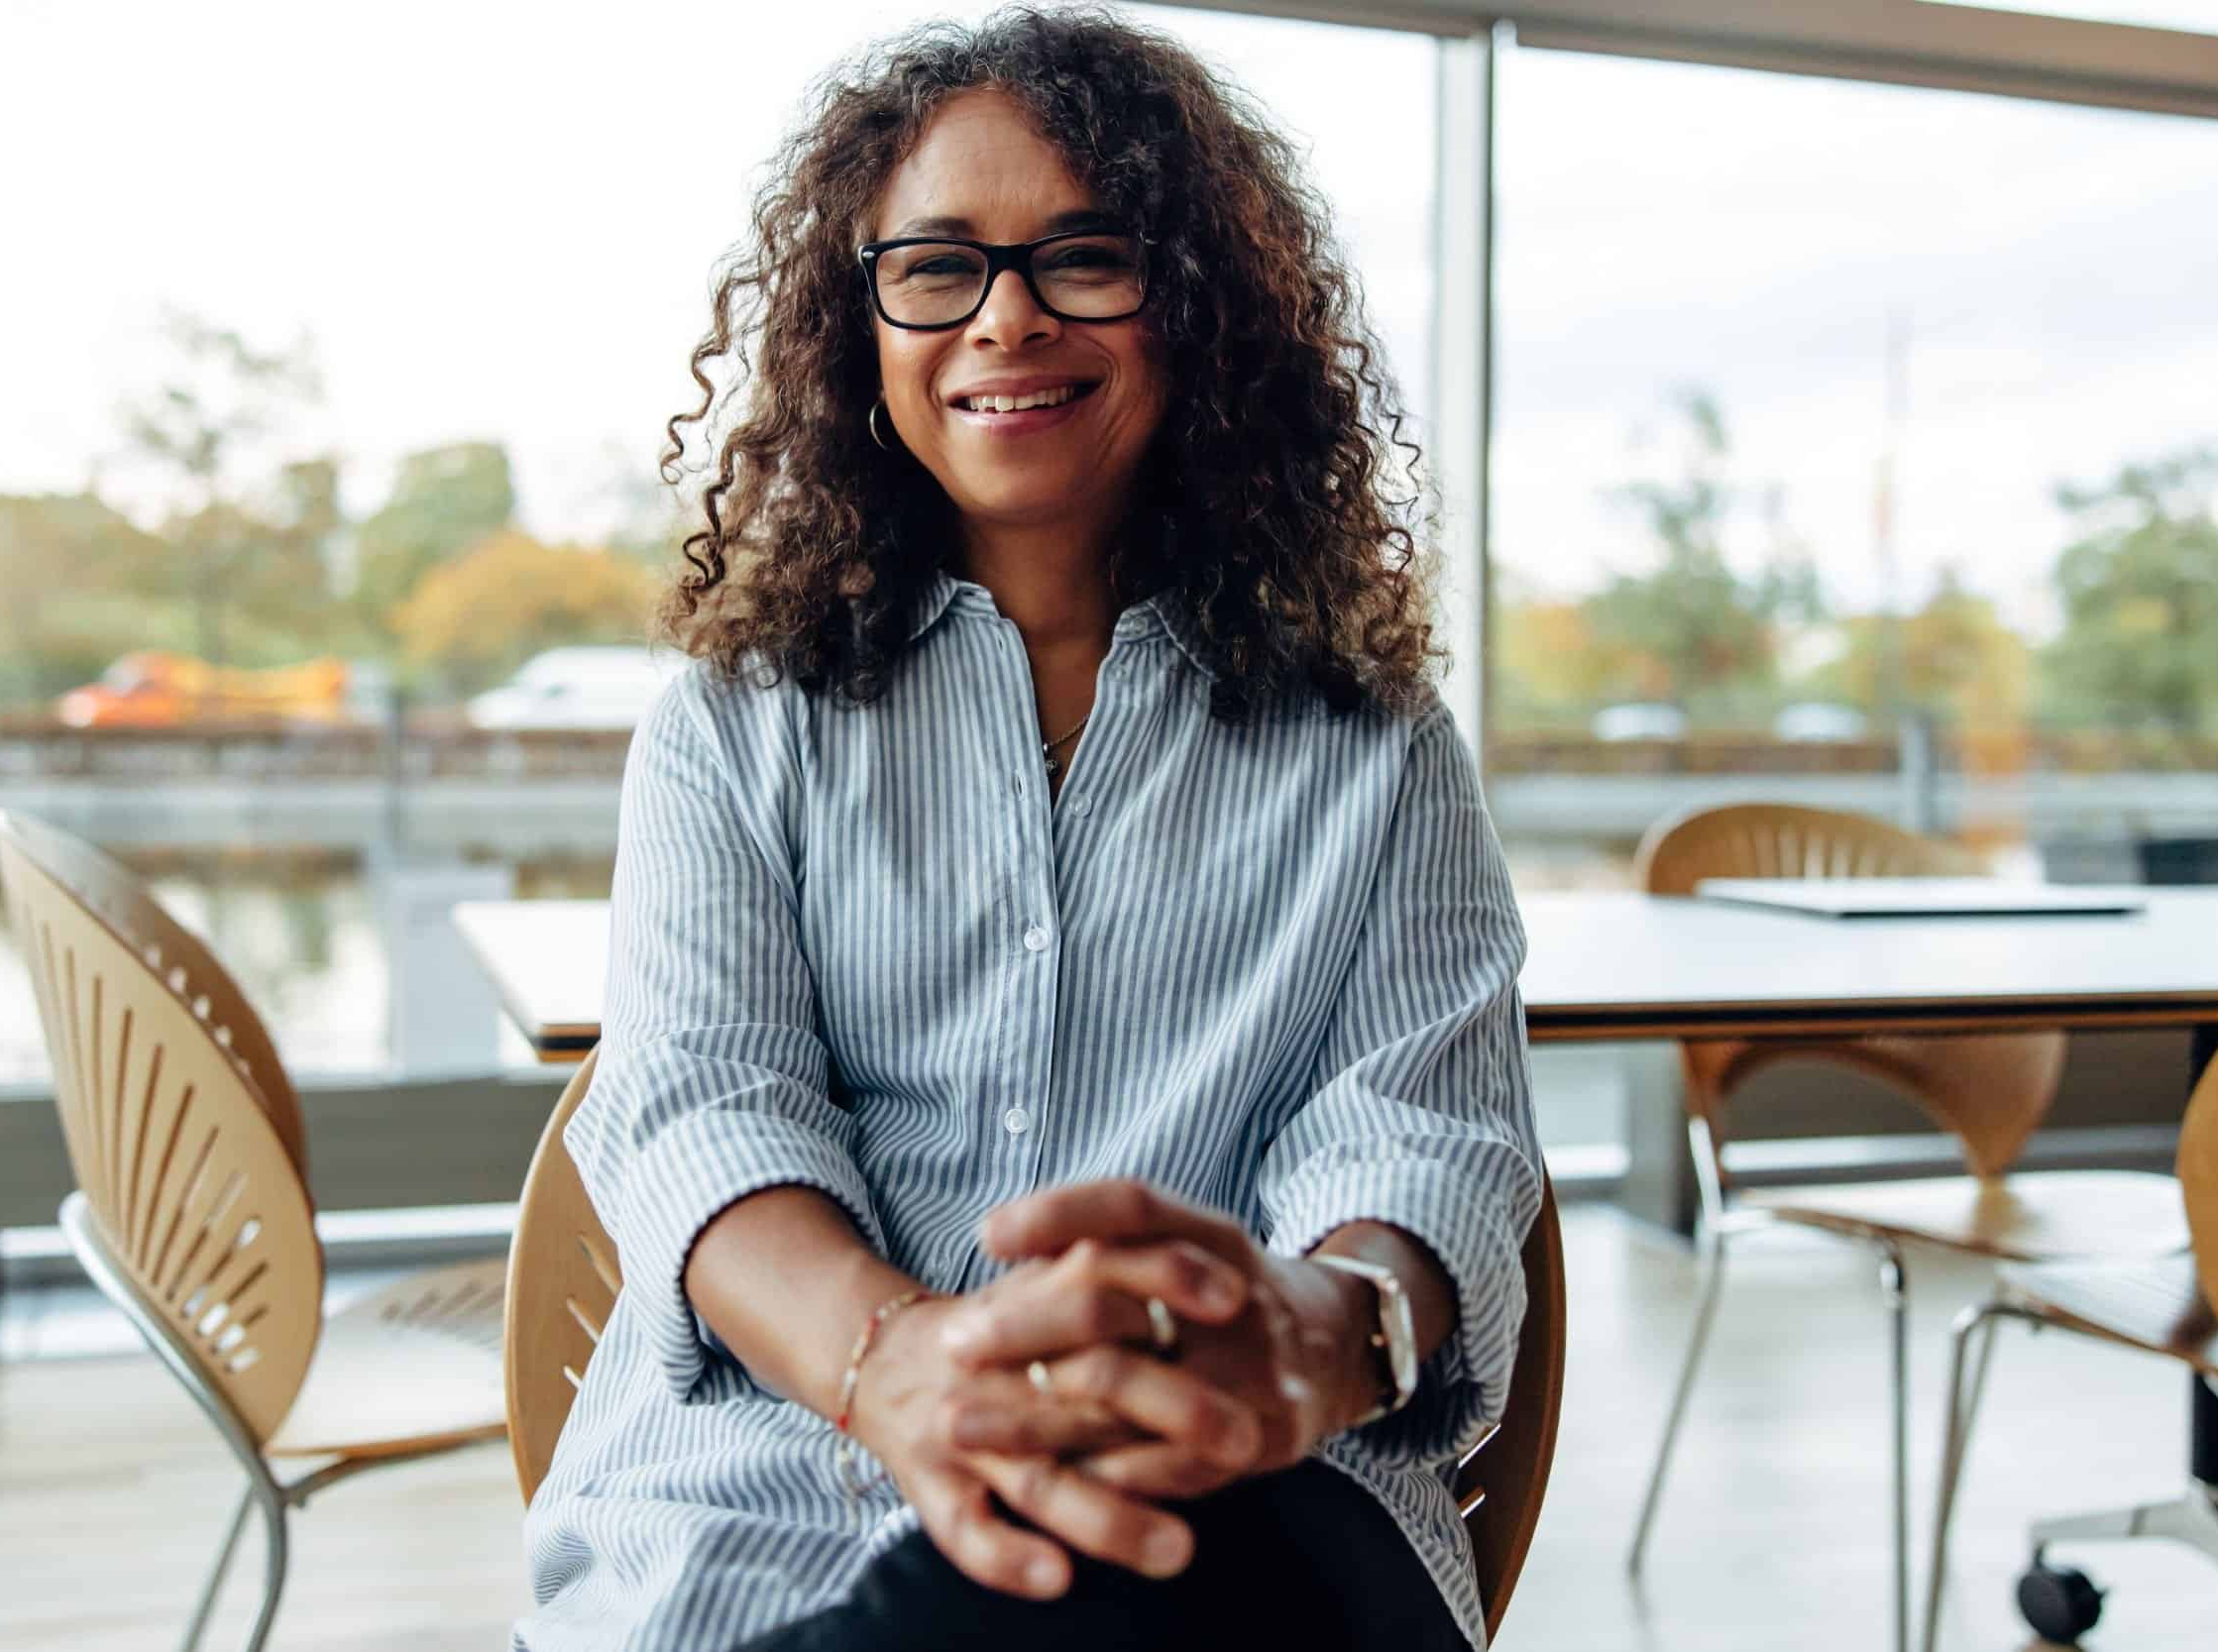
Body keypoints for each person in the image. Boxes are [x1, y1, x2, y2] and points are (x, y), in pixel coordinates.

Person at [515, 9, 1540, 1649]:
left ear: (1200, 311)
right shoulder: (734, 722)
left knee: (1149, 1541)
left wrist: (1314, 1334)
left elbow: (1425, 1142)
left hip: (1239, 1503)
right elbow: (703, 1109)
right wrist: (899, 1368)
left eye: (1086, 257)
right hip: (759, 1503)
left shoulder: (1380, 750)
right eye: (938, 268)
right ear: (863, 327)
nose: (1006, 318)